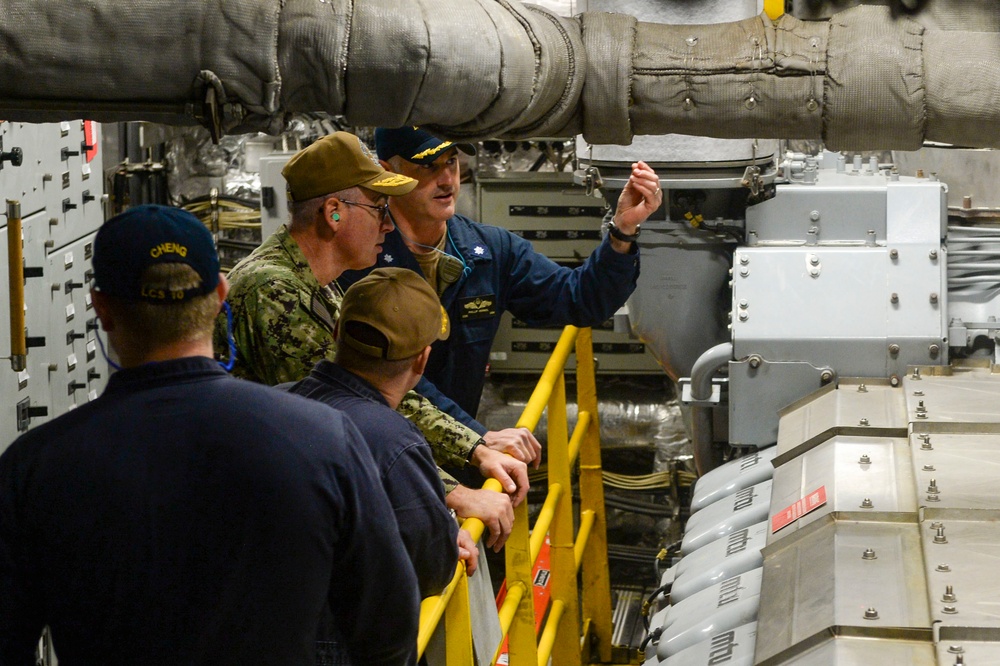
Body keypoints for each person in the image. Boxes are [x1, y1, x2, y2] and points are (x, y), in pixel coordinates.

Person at [0, 205, 418, 665]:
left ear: (102, 308)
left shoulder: (36, 467)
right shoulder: (323, 437)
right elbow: (388, 627)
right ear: (221, 294)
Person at [220, 132, 528, 551]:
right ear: (333, 213)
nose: (387, 223)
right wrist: (452, 495)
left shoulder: (316, 283)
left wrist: (474, 447)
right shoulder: (273, 291)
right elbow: (337, 423)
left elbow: (379, 386)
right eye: (379, 208)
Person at [339, 126, 663, 468]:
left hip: (459, 457)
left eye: (452, 162)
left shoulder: (489, 251)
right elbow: (377, 377)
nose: (448, 180)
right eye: (428, 166)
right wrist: (474, 435)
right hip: (378, 455)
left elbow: (579, 299)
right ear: (389, 171)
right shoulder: (360, 257)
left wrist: (622, 231)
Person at [288, 268, 487, 594]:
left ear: (336, 331)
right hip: (334, 636)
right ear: (422, 361)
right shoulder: (394, 444)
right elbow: (431, 567)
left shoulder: (280, 399)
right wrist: (447, 530)